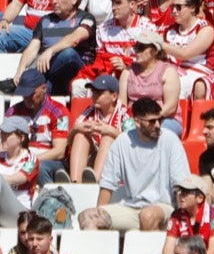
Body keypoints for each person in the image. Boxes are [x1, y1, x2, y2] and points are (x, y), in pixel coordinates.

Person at [77, 97, 188, 231]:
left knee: (147, 215)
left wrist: (183, 218)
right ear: (137, 122)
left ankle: (154, 252)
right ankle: (101, 251)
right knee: (88, 217)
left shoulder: (170, 140)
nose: (158, 125)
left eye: (160, 120)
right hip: (131, 208)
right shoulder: (122, 142)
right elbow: (107, 184)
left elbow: (181, 183)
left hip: (165, 207)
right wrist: (101, 211)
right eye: (152, 121)